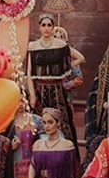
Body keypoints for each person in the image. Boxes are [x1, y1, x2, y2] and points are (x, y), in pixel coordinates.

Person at [25, 15, 84, 145]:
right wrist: (32, 95)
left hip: (58, 90)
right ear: (39, 27)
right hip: (39, 89)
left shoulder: (61, 45)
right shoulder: (33, 46)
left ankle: (66, 154)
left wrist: (65, 66)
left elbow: (80, 58)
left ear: (53, 28)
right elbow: (29, 73)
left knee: (62, 123)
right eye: (43, 25)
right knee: (40, 123)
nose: (46, 28)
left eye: (49, 25)